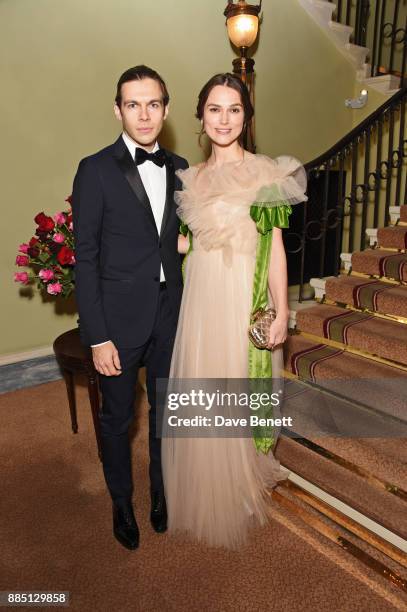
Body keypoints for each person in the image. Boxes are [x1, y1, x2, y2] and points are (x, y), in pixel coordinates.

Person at [161, 73, 307, 549]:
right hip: (202, 293)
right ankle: (210, 482)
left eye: (235, 109)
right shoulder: (190, 177)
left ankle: (243, 479)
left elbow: (276, 248)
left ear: (247, 116)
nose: (224, 119)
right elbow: (189, 241)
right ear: (201, 116)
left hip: (245, 293)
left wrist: (283, 309)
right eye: (215, 109)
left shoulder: (267, 173)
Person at [72, 65, 188, 550]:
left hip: (173, 313)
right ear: (117, 109)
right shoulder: (95, 169)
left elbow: (182, 236)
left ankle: (162, 493)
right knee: (118, 419)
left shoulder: (182, 168)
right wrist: (97, 336)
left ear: (166, 108)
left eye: (154, 103)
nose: (144, 114)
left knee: (167, 413)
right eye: (133, 104)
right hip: (118, 321)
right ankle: (122, 501)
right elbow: (86, 258)